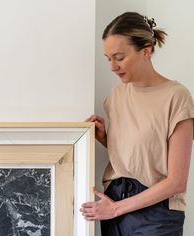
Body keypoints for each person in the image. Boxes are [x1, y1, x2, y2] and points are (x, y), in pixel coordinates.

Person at [80, 12, 194, 236]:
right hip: (114, 198)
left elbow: (176, 182)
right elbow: (138, 153)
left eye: (119, 57)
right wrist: (105, 138)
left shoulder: (177, 97)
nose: (112, 66)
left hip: (156, 211)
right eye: (108, 58)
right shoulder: (117, 95)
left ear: (146, 50)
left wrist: (115, 209)